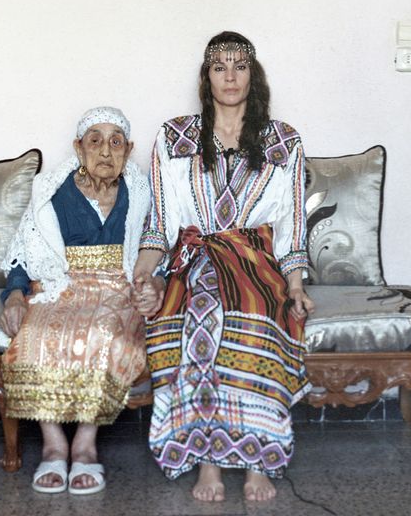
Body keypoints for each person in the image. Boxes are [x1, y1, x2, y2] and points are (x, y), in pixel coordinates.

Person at [132, 31, 314, 503]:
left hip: (257, 260)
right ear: (206, 77)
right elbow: (161, 221)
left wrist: (295, 286)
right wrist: (145, 274)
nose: (230, 76)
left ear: (254, 76)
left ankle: (257, 458)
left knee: (256, 317)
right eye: (219, 67)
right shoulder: (175, 137)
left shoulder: (283, 140)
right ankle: (207, 458)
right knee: (195, 312)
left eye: (239, 66)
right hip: (194, 258)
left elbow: (293, 221)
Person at [0, 106, 150, 495]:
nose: (105, 151)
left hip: (119, 287)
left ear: (129, 149)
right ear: (78, 147)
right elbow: (24, 254)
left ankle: (84, 446)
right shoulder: (53, 190)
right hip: (60, 285)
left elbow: (157, 249)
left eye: (115, 142)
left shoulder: (142, 192)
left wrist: (155, 283)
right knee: (34, 334)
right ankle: (53, 445)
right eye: (95, 141)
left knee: (102, 332)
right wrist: (15, 295)